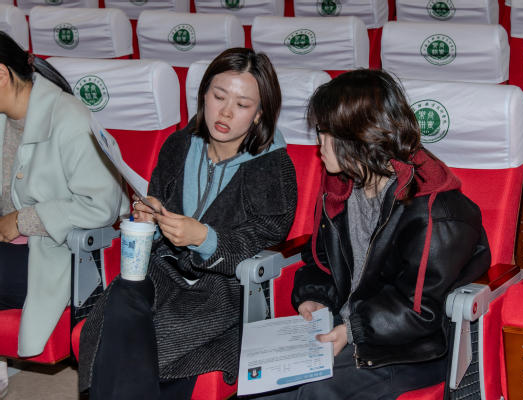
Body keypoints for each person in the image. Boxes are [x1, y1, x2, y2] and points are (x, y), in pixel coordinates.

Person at [254, 69, 491, 399]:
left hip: (413, 349)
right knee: (263, 383)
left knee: (316, 392)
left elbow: (419, 310)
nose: (319, 143)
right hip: (353, 325)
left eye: (327, 133)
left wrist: (351, 330)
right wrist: (316, 297)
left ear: (361, 136)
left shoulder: (436, 212)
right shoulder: (342, 186)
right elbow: (321, 259)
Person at [79, 48, 298, 399]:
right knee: (120, 298)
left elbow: (264, 239)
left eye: (242, 105)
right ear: (203, 95)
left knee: (136, 346)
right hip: (164, 270)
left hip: (223, 288)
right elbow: (157, 205)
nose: (225, 112)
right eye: (218, 96)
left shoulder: (273, 167)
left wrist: (204, 238)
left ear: (259, 114)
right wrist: (149, 218)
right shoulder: (179, 145)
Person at [0, 32, 129, 398]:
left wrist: (21, 220)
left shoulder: (70, 118)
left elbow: (102, 204)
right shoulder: (4, 117)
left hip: (59, 254)